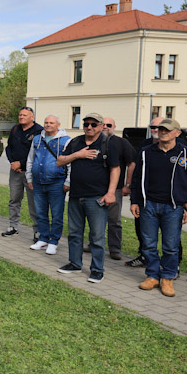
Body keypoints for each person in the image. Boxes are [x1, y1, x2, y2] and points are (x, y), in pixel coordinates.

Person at [131, 118, 187, 297]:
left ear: (177, 133)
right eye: (161, 129)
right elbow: (137, 178)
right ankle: (152, 275)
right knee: (148, 244)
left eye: (167, 130)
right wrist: (134, 201)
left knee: (171, 246)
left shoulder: (186, 154)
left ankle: (168, 277)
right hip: (148, 205)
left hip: (173, 207)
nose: (162, 132)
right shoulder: (146, 152)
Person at [56, 113, 119, 283]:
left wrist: (111, 192)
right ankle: (75, 263)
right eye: (86, 124)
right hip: (76, 195)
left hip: (97, 197)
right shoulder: (76, 142)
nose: (89, 127)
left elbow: (115, 169)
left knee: (97, 236)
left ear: (101, 126)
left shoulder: (107, 144)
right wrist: (78, 155)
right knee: (74, 233)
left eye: (93, 124)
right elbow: (60, 161)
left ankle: (97, 270)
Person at [25, 115, 70, 255]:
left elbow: (70, 162)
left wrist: (68, 181)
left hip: (57, 183)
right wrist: (29, 178)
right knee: (40, 213)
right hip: (38, 182)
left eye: (51, 123)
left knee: (56, 214)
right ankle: (43, 238)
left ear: (58, 125)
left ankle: (54, 241)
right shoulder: (37, 139)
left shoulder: (66, 140)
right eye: (46, 122)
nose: (48, 125)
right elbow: (30, 159)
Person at [126, 118, 164, 268]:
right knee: (142, 230)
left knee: (170, 236)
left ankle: (173, 265)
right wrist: (133, 196)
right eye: (152, 127)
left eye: (159, 127)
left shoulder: (179, 147)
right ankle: (144, 257)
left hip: (167, 200)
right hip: (145, 198)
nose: (156, 130)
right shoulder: (144, 145)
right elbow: (137, 171)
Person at [100, 117, 137, 260]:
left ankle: (115, 249)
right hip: (97, 187)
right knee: (95, 219)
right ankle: (94, 244)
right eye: (102, 124)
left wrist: (127, 185)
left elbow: (131, 163)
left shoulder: (122, 143)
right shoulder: (94, 141)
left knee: (114, 220)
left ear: (114, 127)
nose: (105, 127)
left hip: (115, 188)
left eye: (108, 125)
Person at [4, 106, 42, 238]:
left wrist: (21, 163)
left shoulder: (39, 131)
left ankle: (38, 231)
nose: (21, 117)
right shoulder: (15, 129)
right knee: (14, 199)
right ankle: (13, 226)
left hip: (31, 172)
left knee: (34, 202)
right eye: (20, 115)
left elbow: (37, 153)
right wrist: (12, 162)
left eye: (25, 115)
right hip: (15, 171)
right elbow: (9, 148)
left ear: (32, 117)